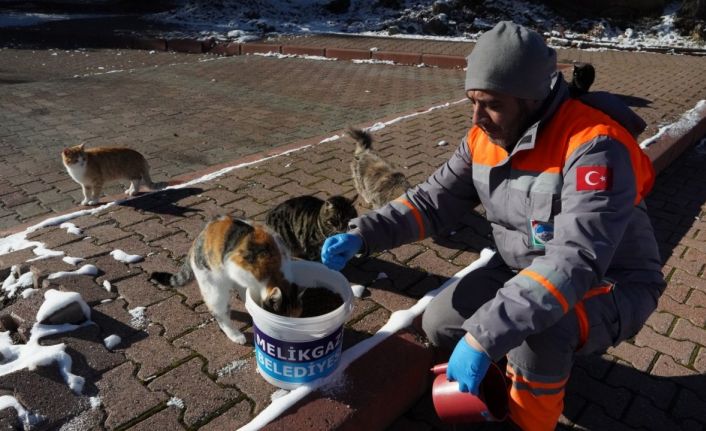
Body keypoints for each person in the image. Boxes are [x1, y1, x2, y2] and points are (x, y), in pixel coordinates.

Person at [321, 20, 665, 431]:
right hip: (524, 268)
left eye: (492, 104)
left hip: (609, 280)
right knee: (441, 323)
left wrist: (486, 336)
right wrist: (363, 234)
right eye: (472, 101)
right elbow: (431, 202)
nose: (477, 117)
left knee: (540, 331)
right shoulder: (484, 137)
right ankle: (517, 368)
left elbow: (576, 259)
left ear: (533, 98)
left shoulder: (594, 146)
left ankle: (530, 421)